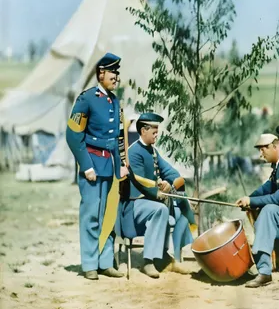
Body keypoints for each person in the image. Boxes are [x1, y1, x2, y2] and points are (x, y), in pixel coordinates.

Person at [65, 52, 127, 280]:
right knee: (91, 215)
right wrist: (86, 165)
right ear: (100, 73)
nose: (116, 77)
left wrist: (120, 165)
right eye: (113, 72)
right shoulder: (86, 99)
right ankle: (90, 264)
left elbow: (118, 138)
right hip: (92, 164)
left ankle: (105, 262)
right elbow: (73, 135)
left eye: (117, 73)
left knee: (108, 215)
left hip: (110, 166)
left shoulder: (115, 100)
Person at [122, 113, 196, 278]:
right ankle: (148, 261)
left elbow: (170, 171)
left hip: (151, 201)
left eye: (157, 131)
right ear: (143, 130)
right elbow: (141, 184)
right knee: (160, 210)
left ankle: (167, 256)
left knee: (180, 211)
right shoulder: (133, 153)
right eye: (154, 131)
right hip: (135, 204)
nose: (157, 134)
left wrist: (173, 183)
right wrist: (160, 189)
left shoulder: (152, 151)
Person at [236, 133, 279, 288]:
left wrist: (252, 201)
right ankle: (263, 269)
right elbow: (267, 188)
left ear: (275, 146)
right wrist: (248, 199)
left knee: (269, 209)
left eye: (263, 149)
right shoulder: (278, 165)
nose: (260, 154)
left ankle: (264, 272)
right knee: (266, 212)